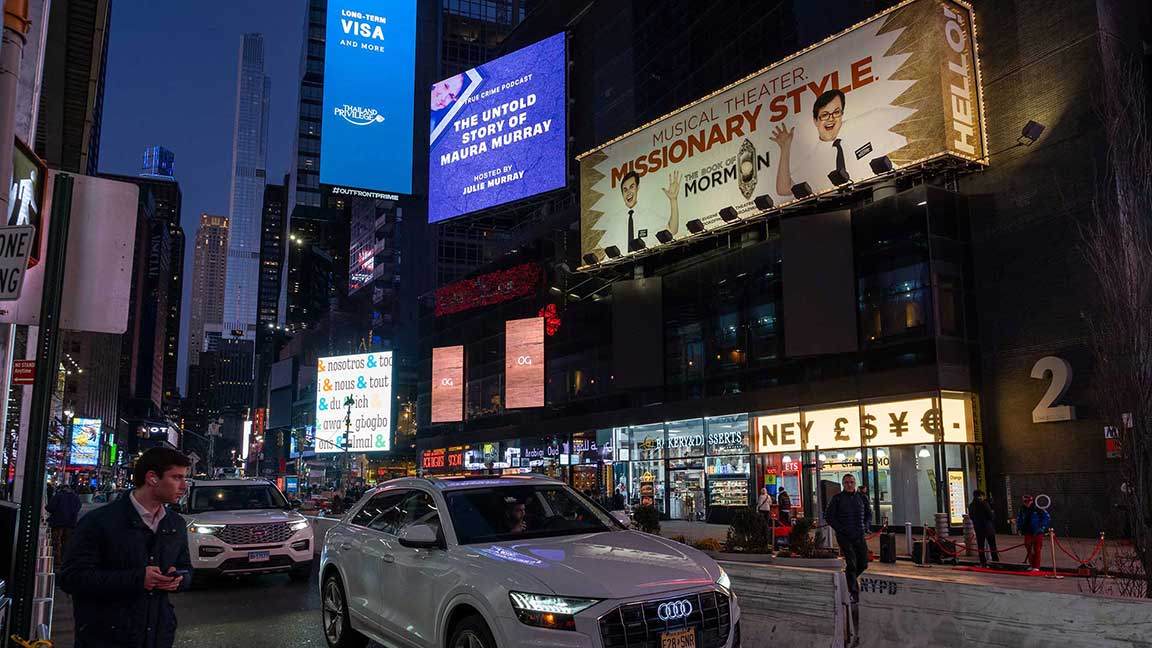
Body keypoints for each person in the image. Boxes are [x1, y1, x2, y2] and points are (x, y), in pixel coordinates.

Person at [59, 447, 192, 648]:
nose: (183, 486)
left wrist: (178, 579)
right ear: (152, 478)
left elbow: (186, 567)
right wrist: (138, 578)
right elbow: (71, 578)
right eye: (176, 477)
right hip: (105, 637)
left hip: (157, 635)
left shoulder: (176, 524)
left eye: (184, 478)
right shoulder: (99, 521)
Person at [771, 89, 870, 199]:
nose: (831, 119)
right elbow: (784, 189)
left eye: (836, 112)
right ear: (815, 121)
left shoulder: (864, 123)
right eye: (824, 115)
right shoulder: (812, 161)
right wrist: (785, 148)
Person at [825, 474, 872, 603]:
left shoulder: (862, 498)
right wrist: (840, 529)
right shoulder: (837, 499)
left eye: (851, 482)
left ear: (855, 483)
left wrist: (866, 526)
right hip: (844, 536)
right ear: (843, 484)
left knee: (863, 563)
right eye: (846, 482)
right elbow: (829, 516)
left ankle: (847, 580)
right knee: (851, 562)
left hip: (859, 534)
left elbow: (868, 514)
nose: (849, 484)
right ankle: (853, 592)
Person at [612, 169, 680, 254]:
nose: (628, 192)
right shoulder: (614, 221)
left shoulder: (648, 215)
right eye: (625, 190)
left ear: (637, 188)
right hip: (620, 265)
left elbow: (672, 230)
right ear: (622, 193)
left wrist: (673, 200)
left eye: (631, 187)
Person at [46, 484, 82, 561]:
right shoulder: (75, 497)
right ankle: (65, 559)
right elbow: (78, 507)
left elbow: (50, 507)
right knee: (67, 542)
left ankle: (56, 560)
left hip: (57, 523)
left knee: (56, 542)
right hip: (71, 523)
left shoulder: (58, 496)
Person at [1016, 494, 1051, 571]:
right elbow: (1019, 519)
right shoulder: (1022, 509)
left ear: (1032, 501)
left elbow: (1047, 518)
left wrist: (1042, 527)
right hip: (1027, 532)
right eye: (1025, 501)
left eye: (1029, 501)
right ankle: (1032, 565)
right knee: (1029, 549)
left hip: (1037, 532)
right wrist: (1019, 528)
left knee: (1037, 549)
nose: (1027, 503)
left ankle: (1037, 566)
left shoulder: (1038, 508)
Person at [968, 490, 999, 567]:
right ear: (981, 496)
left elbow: (971, 517)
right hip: (987, 528)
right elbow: (991, 516)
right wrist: (993, 513)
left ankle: (983, 561)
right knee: (992, 545)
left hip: (978, 528)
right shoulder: (984, 504)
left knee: (980, 545)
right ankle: (995, 561)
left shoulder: (971, 505)